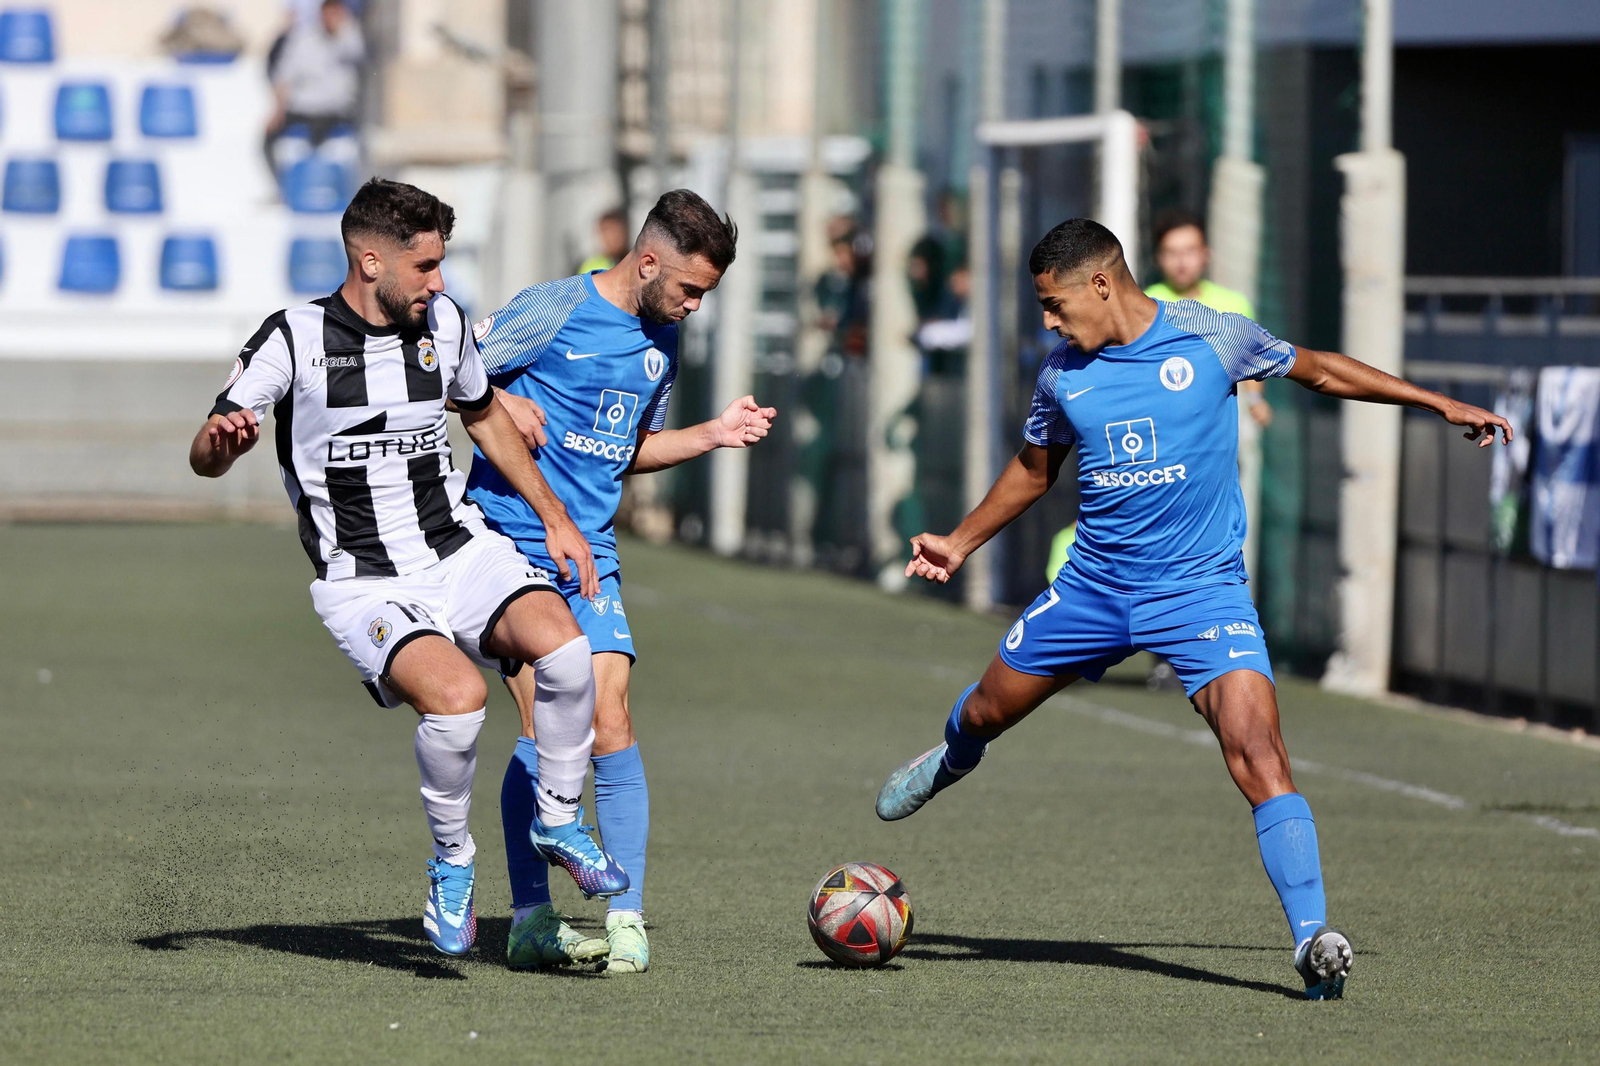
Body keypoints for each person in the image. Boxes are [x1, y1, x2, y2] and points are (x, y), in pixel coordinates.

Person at [874, 218, 1512, 1000]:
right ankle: (948, 762)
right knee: (981, 714)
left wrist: (1434, 402)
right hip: (1092, 592)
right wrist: (960, 542)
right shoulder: (1062, 374)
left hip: (1201, 593)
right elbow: (1033, 471)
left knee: (1261, 754)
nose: (1047, 320)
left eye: (1053, 302)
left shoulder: (1213, 337)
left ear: (1101, 285)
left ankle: (1313, 938)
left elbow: (1321, 371)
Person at [188, 178, 627, 959]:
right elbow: (212, 444)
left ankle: (559, 817)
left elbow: (485, 412)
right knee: (457, 701)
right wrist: (221, 443)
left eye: (441, 264)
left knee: (562, 646)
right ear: (369, 261)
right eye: (424, 267)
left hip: (454, 546)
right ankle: (453, 864)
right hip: (364, 577)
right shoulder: (292, 338)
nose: (439, 282)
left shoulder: (445, 324)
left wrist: (558, 521)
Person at [468, 188, 772, 974]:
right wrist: (500, 397)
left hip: (592, 554)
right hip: (511, 545)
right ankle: (532, 916)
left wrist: (711, 434)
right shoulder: (551, 310)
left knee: (614, 719)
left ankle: (627, 915)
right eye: (690, 288)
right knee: (547, 731)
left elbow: (625, 448)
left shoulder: (662, 342)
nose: (695, 307)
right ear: (646, 262)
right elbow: (445, 376)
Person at [265, 0, 364, 174]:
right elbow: (283, 77)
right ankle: (284, 187)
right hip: (304, 109)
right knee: (268, 141)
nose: (331, 19)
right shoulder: (303, 40)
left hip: (336, 112)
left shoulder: (352, 38)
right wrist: (278, 111)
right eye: (328, 14)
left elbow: (359, 60)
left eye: (336, 14)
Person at [577, 207, 633, 275]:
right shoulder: (591, 266)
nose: (611, 237)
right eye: (605, 231)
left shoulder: (637, 260)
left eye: (615, 231)